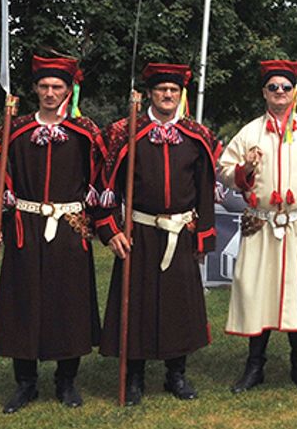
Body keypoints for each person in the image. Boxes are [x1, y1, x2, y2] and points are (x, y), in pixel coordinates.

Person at [0, 55, 107, 413]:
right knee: (24, 303)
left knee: (69, 304)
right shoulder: (15, 130)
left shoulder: (85, 134)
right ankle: (26, 383)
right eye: (44, 86)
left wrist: (105, 228)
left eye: (57, 87)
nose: (50, 92)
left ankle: (66, 380)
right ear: (35, 89)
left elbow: (100, 184)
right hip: (25, 229)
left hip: (70, 230)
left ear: (68, 90)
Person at [219, 60, 297, 392]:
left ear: (295, 91)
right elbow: (225, 171)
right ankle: (254, 365)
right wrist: (243, 169)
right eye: (273, 87)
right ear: (264, 92)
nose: (279, 93)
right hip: (260, 226)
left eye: (285, 87)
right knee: (255, 292)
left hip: (296, 226)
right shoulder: (249, 132)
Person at [96, 63, 218, 405]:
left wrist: (203, 236)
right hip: (140, 232)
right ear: (150, 93)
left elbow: (206, 188)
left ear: (181, 96)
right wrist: (110, 229)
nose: (168, 95)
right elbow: (105, 187)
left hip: (181, 232)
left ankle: (175, 373)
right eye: (162, 90)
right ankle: (133, 376)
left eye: (174, 91)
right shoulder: (125, 133)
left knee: (179, 305)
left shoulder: (198, 136)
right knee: (135, 302)